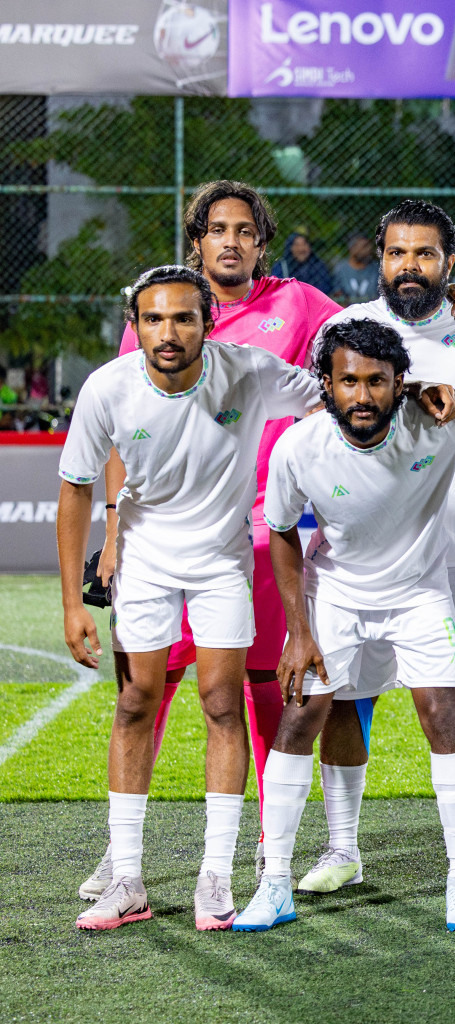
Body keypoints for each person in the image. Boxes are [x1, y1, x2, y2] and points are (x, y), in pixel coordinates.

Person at [79, 181, 455, 898]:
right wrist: (112, 529)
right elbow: (119, 421)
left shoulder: (300, 305)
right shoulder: (163, 311)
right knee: (147, 688)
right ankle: (122, 854)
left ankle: (272, 847)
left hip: (270, 533)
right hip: (163, 534)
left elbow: (376, 331)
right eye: (215, 229)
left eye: (244, 231)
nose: (229, 241)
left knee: (271, 691)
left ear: (262, 242)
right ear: (196, 240)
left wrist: (452, 302)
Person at [60, 266, 322, 931]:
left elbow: (334, 399)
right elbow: (76, 488)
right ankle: (126, 879)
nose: (167, 332)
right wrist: (71, 601)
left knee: (220, 704)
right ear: (137, 325)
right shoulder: (108, 388)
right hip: (144, 565)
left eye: (182, 318)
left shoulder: (250, 371)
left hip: (219, 565)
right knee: (134, 703)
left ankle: (215, 873)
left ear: (208, 321)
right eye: (153, 319)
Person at [230, 319, 455, 933]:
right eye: (348, 380)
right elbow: (279, 530)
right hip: (338, 593)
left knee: (442, 715)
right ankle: (275, 883)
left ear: (400, 384)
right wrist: (299, 631)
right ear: (325, 383)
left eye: (377, 381)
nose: (362, 394)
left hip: (419, 594)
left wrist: (451, 392)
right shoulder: (300, 445)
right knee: (303, 717)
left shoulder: (437, 417)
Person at [290, 201, 455, 898]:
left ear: (450, 263)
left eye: (424, 254)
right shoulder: (344, 329)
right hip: (357, 552)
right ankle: (342, 846)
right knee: (342, 701)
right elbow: (315, 417)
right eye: (397, 253)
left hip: (452, 548)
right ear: (378, 258)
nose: (409, 267)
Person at [272, 231, 334, 295]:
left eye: (304, 244)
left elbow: (326, 287)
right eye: (297, 245)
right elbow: (275, 289)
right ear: (290, 248)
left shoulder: (318, 264)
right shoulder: (281, 266)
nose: (301, 249)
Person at [331, 233, 379, 305]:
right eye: (364, 246)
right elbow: (337, 296)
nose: (369, 249)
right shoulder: (341, 270)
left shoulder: (376, 269)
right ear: (352, 248)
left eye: (369, 246)